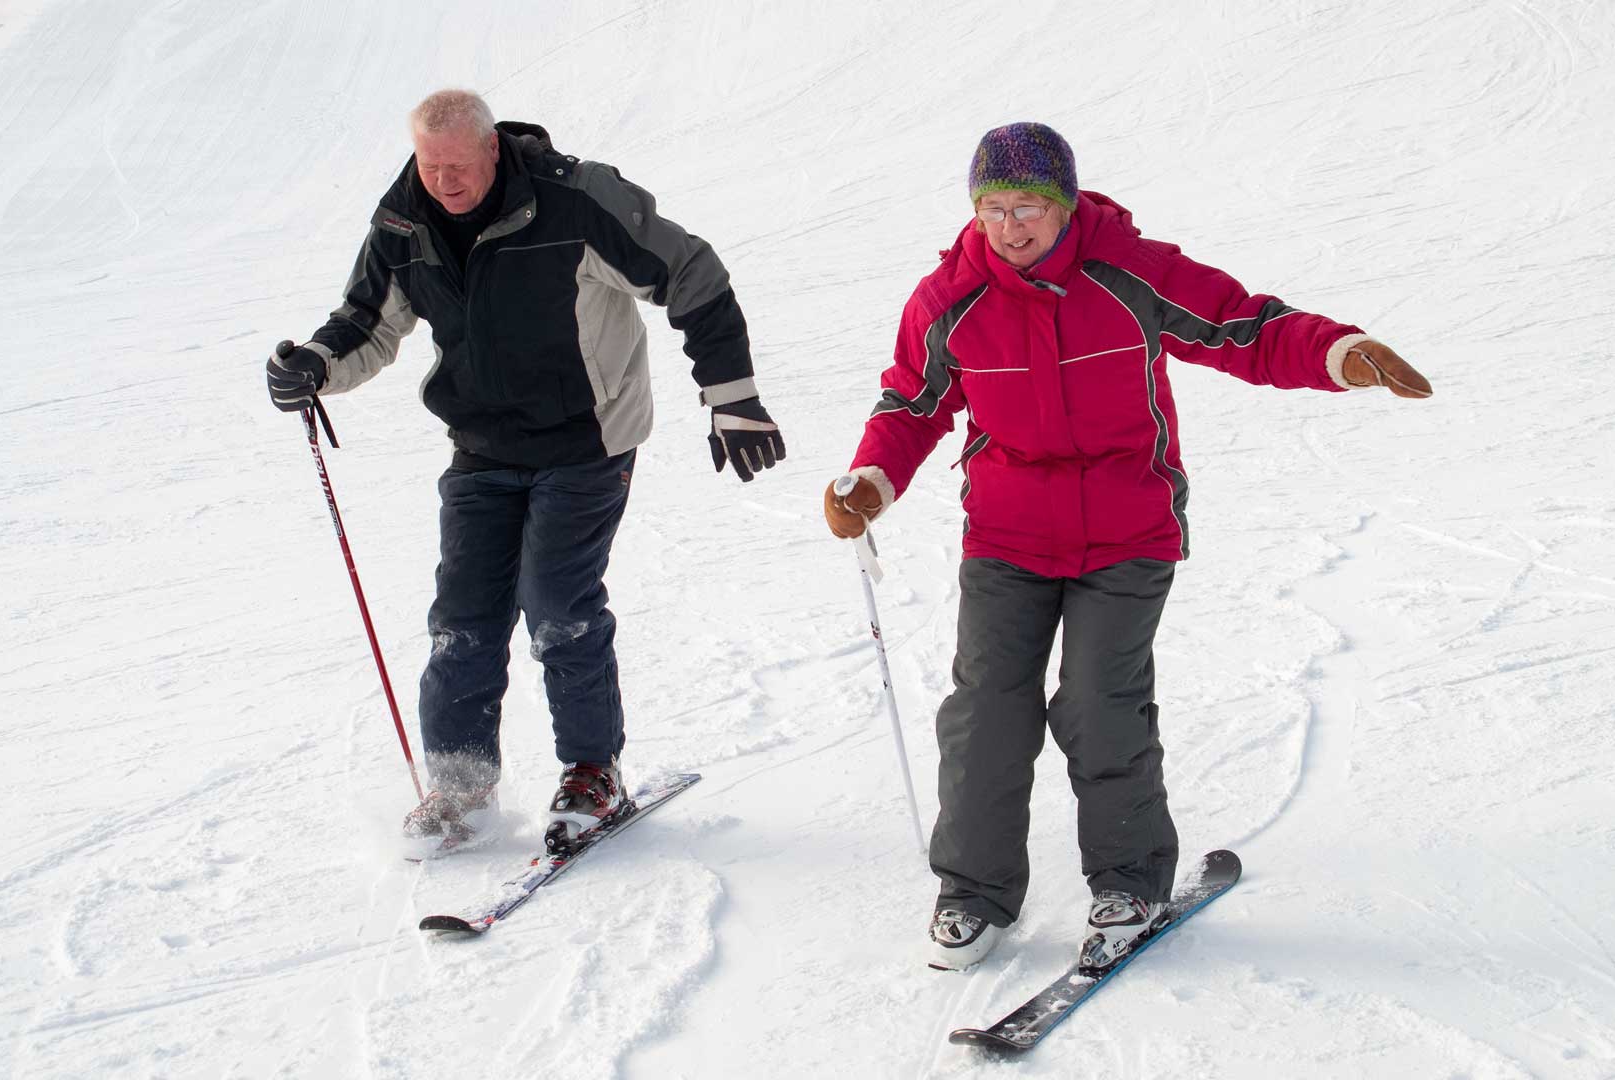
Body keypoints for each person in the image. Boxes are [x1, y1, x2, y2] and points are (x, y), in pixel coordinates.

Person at [823, 122, 1430, 972]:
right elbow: (911, 404)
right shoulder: (949, 297)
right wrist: (870, 481)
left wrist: (1339, 351)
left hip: (1127, 527)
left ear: (1064, 204)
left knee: (1098, 707)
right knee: (984, 712)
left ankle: (1131, 884)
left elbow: (1241, 325)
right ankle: (973, 891)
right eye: (992, 208)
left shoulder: (1129, 270)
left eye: (1028, 205)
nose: (1011, 225)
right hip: (1006, 534)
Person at [267, 89, 784, 852]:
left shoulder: (574, 201)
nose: (442, 181)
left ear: (493, 151)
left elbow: (691, 273)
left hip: (586, 440)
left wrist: (732, 396)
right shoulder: (403, 221)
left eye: (457, 166)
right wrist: (314, 363)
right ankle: (462, 789)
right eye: (428, 163)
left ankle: (591, 773)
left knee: (556, 605)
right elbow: (367, 322)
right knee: (464, 622)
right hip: (482, 445)